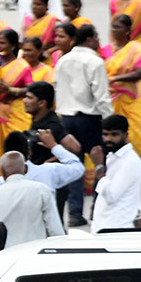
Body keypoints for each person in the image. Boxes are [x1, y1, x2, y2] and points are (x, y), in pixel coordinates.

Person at [55, 23, 113, 224]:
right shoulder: (94, 62)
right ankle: (97, 210)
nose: (98, 40)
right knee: (100, 163)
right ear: (89, 39)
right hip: (90, 119)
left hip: (67, 119)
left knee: (74, 167)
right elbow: (101, 96)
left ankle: (74, 213)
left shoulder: (63, 60)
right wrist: (110, 123)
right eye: (96, 36)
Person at [0, 151, 65, 243]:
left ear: (2, 172)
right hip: (34, 251)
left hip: (5, 254)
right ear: (26, 169)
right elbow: (55, 229)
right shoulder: (41, 190)